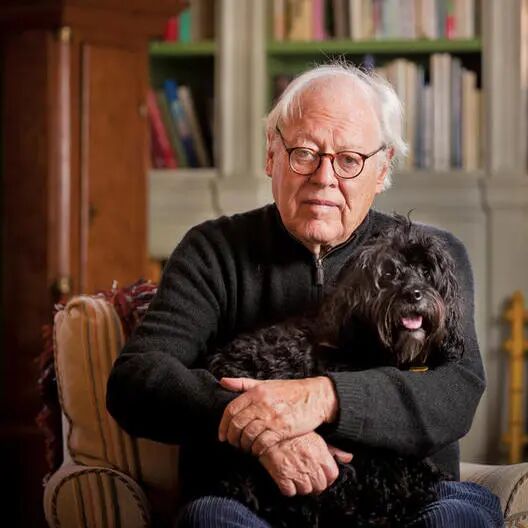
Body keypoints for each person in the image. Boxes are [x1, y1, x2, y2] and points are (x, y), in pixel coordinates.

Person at [106, 63, 503, 527]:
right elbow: (138, 378)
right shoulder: (212, 251)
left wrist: (324, 398)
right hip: (253, 499)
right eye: (304, 153)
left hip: (413, 498)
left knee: (459, 518)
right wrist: (260, 426)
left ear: (382, 169)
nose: (324, 177)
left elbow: (456, 388)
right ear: (271, 155)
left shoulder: (433, 257)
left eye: (349, 159)